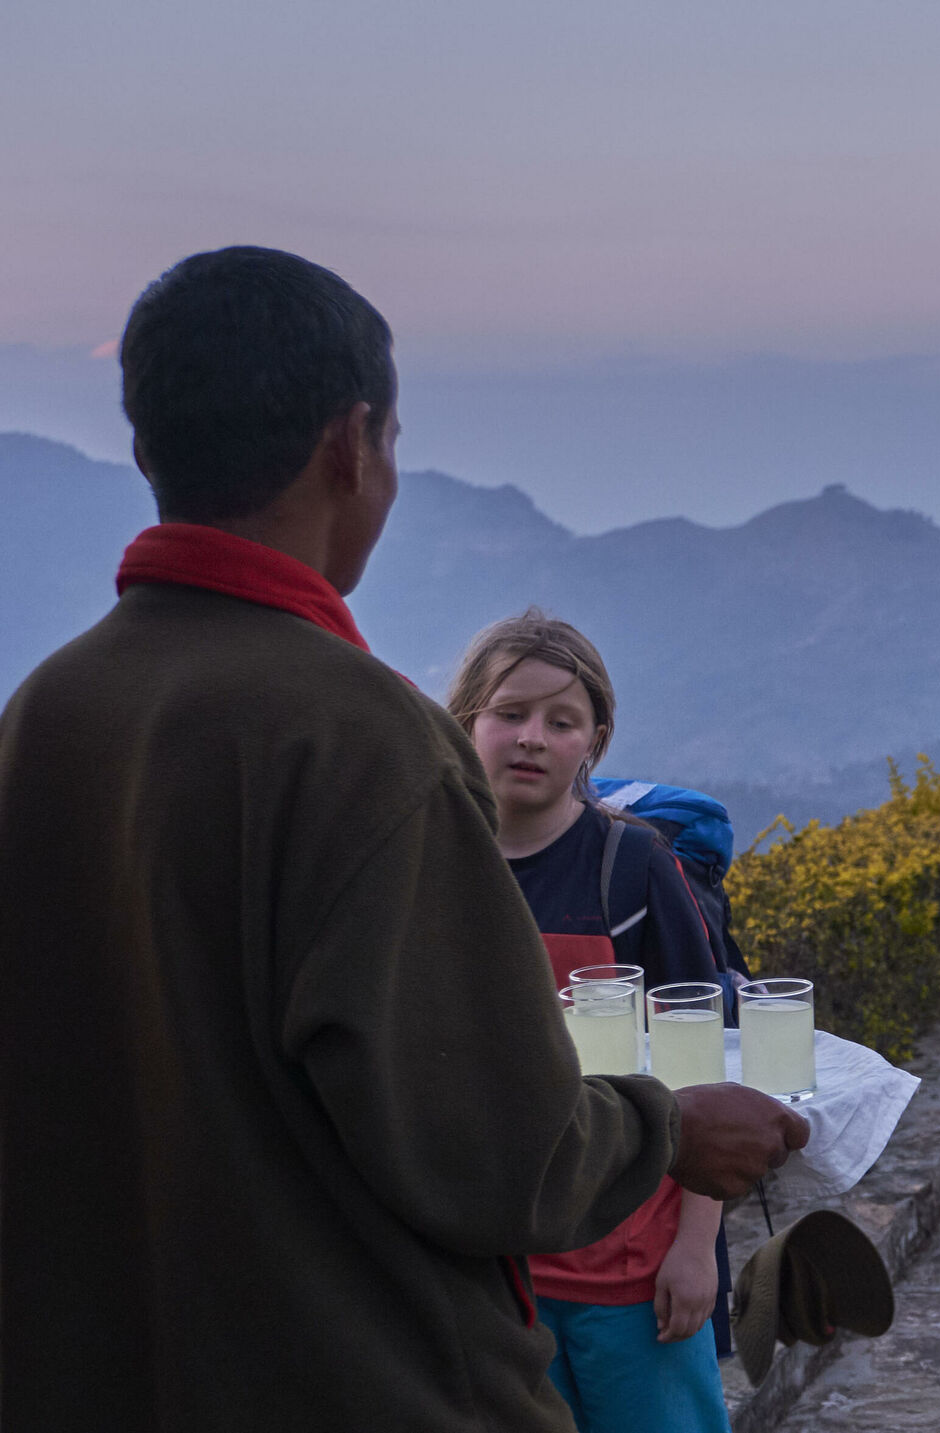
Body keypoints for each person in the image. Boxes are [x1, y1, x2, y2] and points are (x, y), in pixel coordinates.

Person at [0, 246, 806, 1430]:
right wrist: (671, 1128)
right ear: (352, 444)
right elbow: (490, 1142)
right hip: (350, 1376)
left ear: (146, 447)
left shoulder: (47, 715)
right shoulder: (359, 736)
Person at [449, 611, 737, 1433]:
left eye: (561, 720)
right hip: (496, 1274)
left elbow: (701, 1057)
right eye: (509, 712)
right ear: (467, 720)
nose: (531, 736)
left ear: (594, 742)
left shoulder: (633, 867)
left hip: (632, 1270)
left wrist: (695, 1248)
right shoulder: (438, 865)